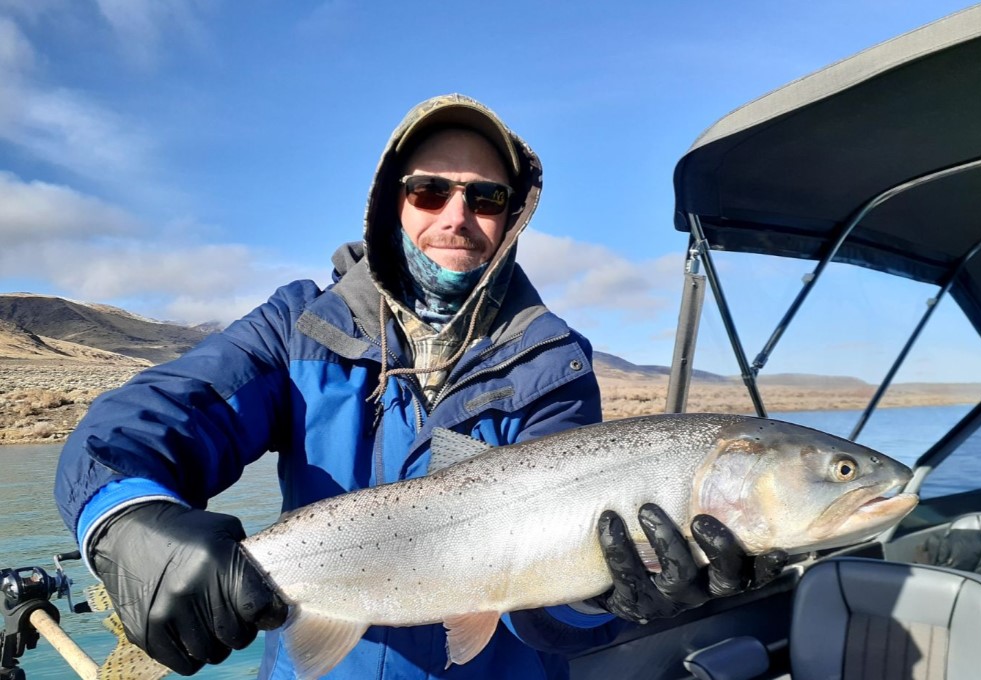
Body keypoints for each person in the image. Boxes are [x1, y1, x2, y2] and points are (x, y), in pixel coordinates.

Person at [54, 94, 784, 679]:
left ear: (512, 216)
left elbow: (550, 614)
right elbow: (135, 427)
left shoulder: (552, 363)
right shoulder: (296, 327)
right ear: (390, 203)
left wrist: (612, 597)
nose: (455, 217)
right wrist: (126, 520)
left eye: (485, 197)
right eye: (429, 190)